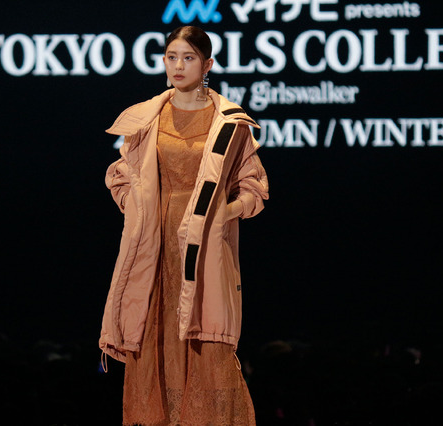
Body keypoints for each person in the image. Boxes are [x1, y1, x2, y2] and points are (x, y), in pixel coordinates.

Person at [100, 26, 269, 425]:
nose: (178, 66)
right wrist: (136, 210)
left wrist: (224, 213)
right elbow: (119, 177)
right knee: (152, 332)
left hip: (203, 246)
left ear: (207, 65)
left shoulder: (229, 122)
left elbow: (254, 189)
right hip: (152, 247)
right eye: (172, 57)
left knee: (205, 338)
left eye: (189, 58)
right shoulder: (146, 117)